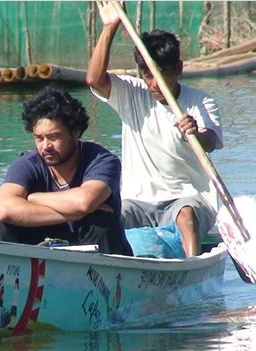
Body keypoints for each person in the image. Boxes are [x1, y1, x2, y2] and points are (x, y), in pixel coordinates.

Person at [86, 1, 223, 257]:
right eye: (148, 75)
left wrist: (196, 134)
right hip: (138, 200)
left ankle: (189, 269)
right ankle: (114, 272)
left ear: (178, 69)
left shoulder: (200, 102)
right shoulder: (132, 93)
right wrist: (110, 27)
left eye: (162, 75)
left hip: (187, 198)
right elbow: (94, 79)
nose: (155, 84)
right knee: (108, 217)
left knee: (186, 217)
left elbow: (212, 140)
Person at [0, 86, 133, 256]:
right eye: (39, 138)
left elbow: (84, 202)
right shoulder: (27, 164)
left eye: (54, 137)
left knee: (101, 221)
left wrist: (32, 198)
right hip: (41, 248)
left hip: (94, 251)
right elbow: (5, 209)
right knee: (4, 224)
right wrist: (74, 212)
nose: (45, 146)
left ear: (76, 132)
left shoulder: (102, 160)